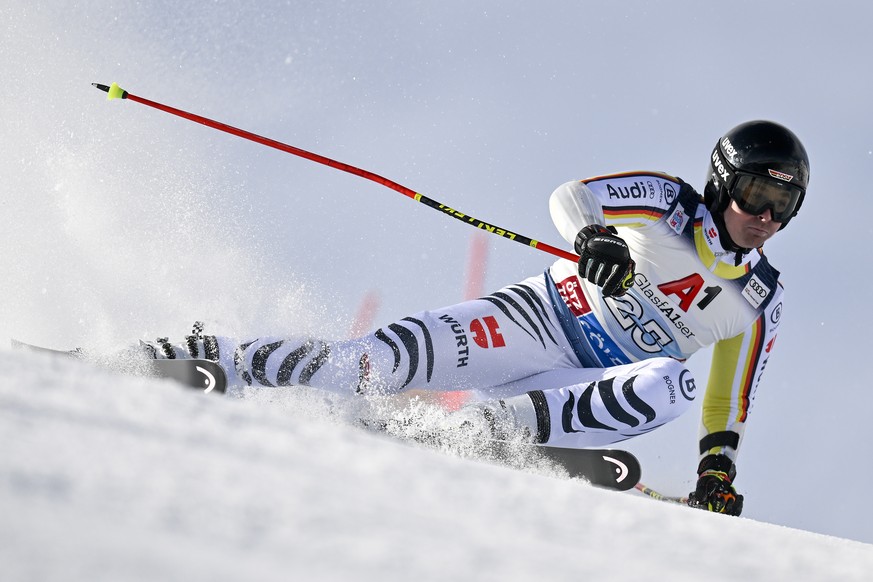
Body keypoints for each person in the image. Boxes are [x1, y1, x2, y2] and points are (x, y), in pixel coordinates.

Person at [138, 120, 809, 516]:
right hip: (535, 317)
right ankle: (194, 355)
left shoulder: (760, 299)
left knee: (673, 382)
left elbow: (728, 396)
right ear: (725, 181)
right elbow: (573, 196)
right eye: (756, 193)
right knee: (367, 363)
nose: (765, 218)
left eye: (784, 206)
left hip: (577, 386)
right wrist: (592, 238)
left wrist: (714, 475)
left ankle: (478, 431)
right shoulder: (665, 202)